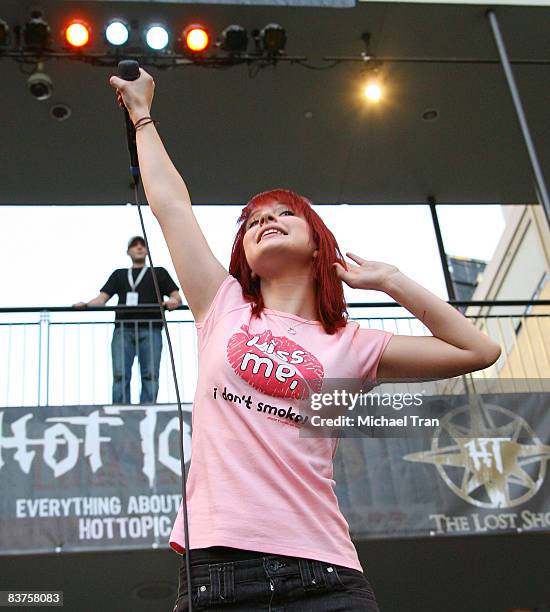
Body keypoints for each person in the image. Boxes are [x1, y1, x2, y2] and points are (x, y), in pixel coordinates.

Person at [108, 69, 501, 611]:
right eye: (252, 221)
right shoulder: (220, 305)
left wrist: (392, 281)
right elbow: (171, 205)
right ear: (243, 254)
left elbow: (477, 351)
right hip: (220, 575)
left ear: (318, 245)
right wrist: (142, 116)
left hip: (327, 573)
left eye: (283, 214)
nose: (265, 220)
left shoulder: (353, 344)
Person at [73, 236, 182, 404]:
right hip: (124, 329)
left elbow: (176, 297)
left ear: (147, 250)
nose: (139, 247)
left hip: (151, 328)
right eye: (134, 245)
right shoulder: (120, 274)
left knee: (150, 374)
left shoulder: (158, 272)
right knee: (120, 374)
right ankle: (120, 409)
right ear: (128, 251)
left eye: (142, 245)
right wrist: (86, 304)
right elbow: (102, 299)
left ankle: (148, 408)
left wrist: (173, 302)